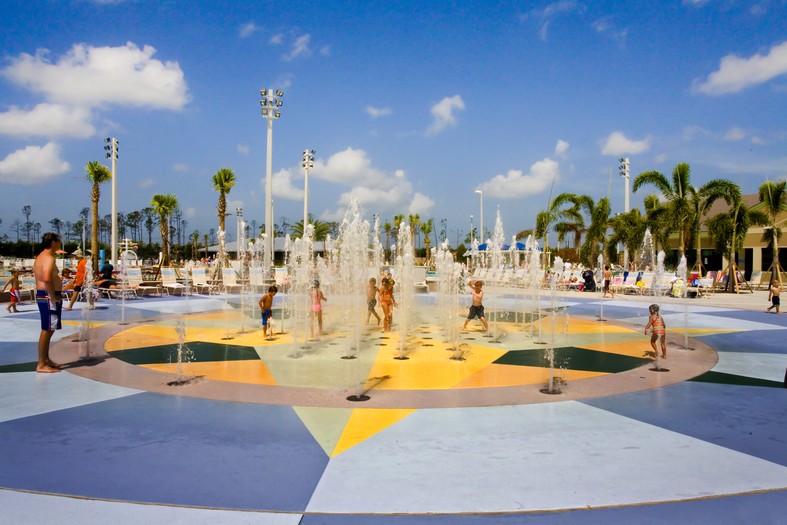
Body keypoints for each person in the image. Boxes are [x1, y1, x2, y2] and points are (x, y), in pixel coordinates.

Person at [33, 232, 63, 373]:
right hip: (48, 296)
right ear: (53, 242)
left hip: (45, 295)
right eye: (59, 240)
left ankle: (45, 359)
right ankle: (41, 364)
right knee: (47, 329)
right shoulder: (49, 258)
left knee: (50, 329)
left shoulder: (41, 256)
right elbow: (46, 278)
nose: (60, 242)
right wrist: (53, 296)